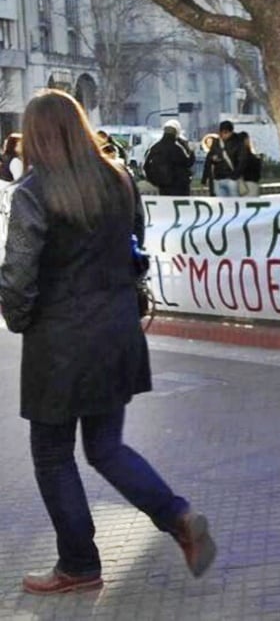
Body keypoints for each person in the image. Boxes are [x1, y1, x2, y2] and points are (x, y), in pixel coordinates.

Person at [0, 89, 216, 595]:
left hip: (59, 341)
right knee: (105, 446)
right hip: (116, 330)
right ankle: (178, 516)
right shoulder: (117, 179)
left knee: (53, 455)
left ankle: (78, 563)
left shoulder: (33, 191)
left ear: (35, 135)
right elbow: (134, 248)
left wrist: (19, 319)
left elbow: (17, 276)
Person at [142, 119, 195, 196]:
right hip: (180, 188)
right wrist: (189, 149)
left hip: (162, 186)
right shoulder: (177, 149)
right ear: (176, 133)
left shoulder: (155, 147)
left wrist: (153, 181)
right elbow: (189, 162)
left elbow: (146, 166)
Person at [201, 120, 242, 196]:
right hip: (218, 178)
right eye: (221, 132)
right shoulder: (216, 143)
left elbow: (241, 161)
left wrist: (235, 175)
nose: (223, 135)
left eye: (226, 132)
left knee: (234, 202)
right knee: (222, 203)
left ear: (231, 132)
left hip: (232, 179)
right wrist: (213, 159)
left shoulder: (237, 142)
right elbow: (208, 160)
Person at [237, 132, 263, 197]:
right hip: (251, 184)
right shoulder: (249, 156)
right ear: (246, 140)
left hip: (240, 186)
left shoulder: (236, 156)